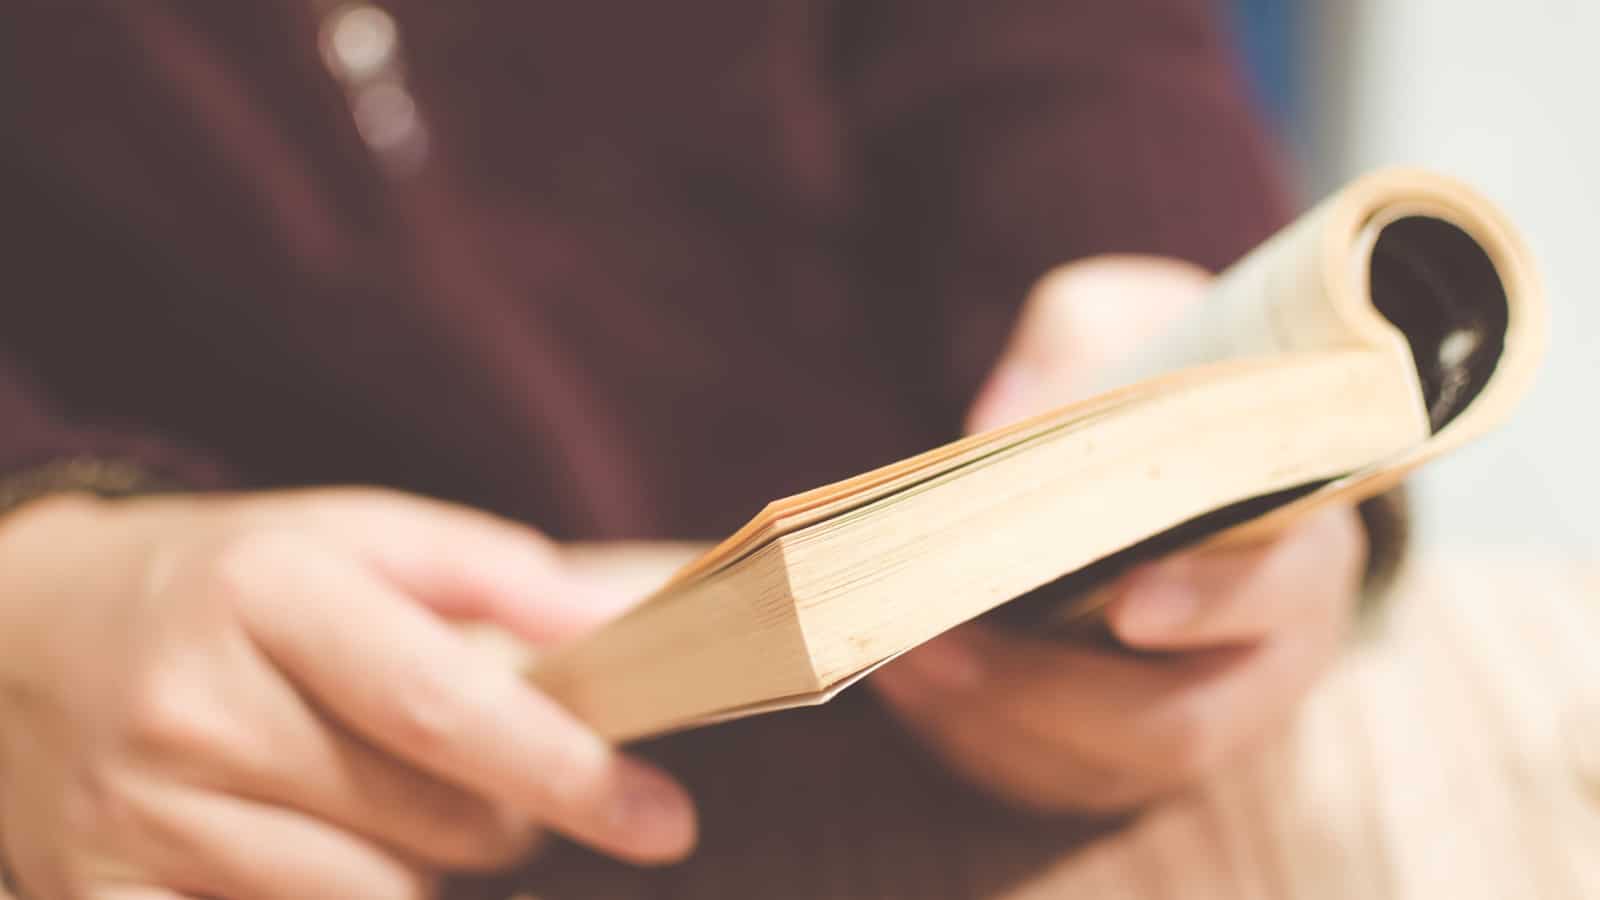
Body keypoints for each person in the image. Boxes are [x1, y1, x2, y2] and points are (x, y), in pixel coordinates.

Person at [0, 2, 1393, 897]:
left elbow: (1064, 60)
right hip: (209, 761)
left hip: (954, 764)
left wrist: (1182, 347)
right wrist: (32, 559)